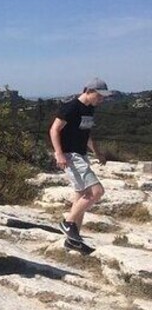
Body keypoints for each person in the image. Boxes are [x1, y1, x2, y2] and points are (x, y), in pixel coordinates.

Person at [49, 78, 111, 245]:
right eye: (99, 96)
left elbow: (86, 134)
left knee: (80, 197)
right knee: (96, 192)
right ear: (88, 91)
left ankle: (73, 239)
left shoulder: (89, 109)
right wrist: (59, 154)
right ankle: (68, 223)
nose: (101, 100)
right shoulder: (71, 107)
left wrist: (97, 153)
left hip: (81, 155)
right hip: (71, 155)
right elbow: (54, 130)